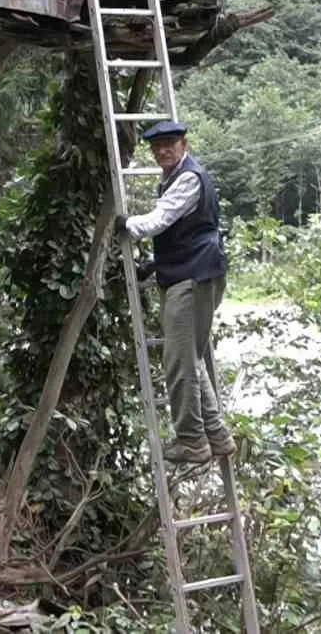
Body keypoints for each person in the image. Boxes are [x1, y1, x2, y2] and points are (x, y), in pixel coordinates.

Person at [113, 120, 234, 464]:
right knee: (190, 359)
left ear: (184, 145)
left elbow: (157, 221)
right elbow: (186, 232)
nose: (162, 151)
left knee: (178, 362)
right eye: (157, 147)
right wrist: (155, 263)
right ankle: (216, 434)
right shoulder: (174, 177)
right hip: (189, 272)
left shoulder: (188, 179)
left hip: (192, 279)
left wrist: (124, 224)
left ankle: (191, 440)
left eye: (169, 144)